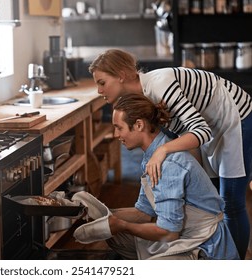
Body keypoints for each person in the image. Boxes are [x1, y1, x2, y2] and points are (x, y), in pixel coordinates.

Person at [88, 48, 252, 259]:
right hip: (211, 126)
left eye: (102, 82)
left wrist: (163, 150)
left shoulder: (160, 85)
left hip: (237, 117)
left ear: (121, 75)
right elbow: (188, 133)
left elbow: (201, 131)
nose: (99, 90)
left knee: (230, 200)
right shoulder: (143, 98)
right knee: (211, 199)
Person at [72, 93, 239, 260]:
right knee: (113, 235)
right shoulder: (152, 157)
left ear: (138, 125)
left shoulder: (168, 165)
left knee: (122, 233)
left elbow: (169, 233)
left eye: (119, 127)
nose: (116, 134)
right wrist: (99, 214)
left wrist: (122, 225)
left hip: (203, 244)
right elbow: (143, 212)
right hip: (183, 233)